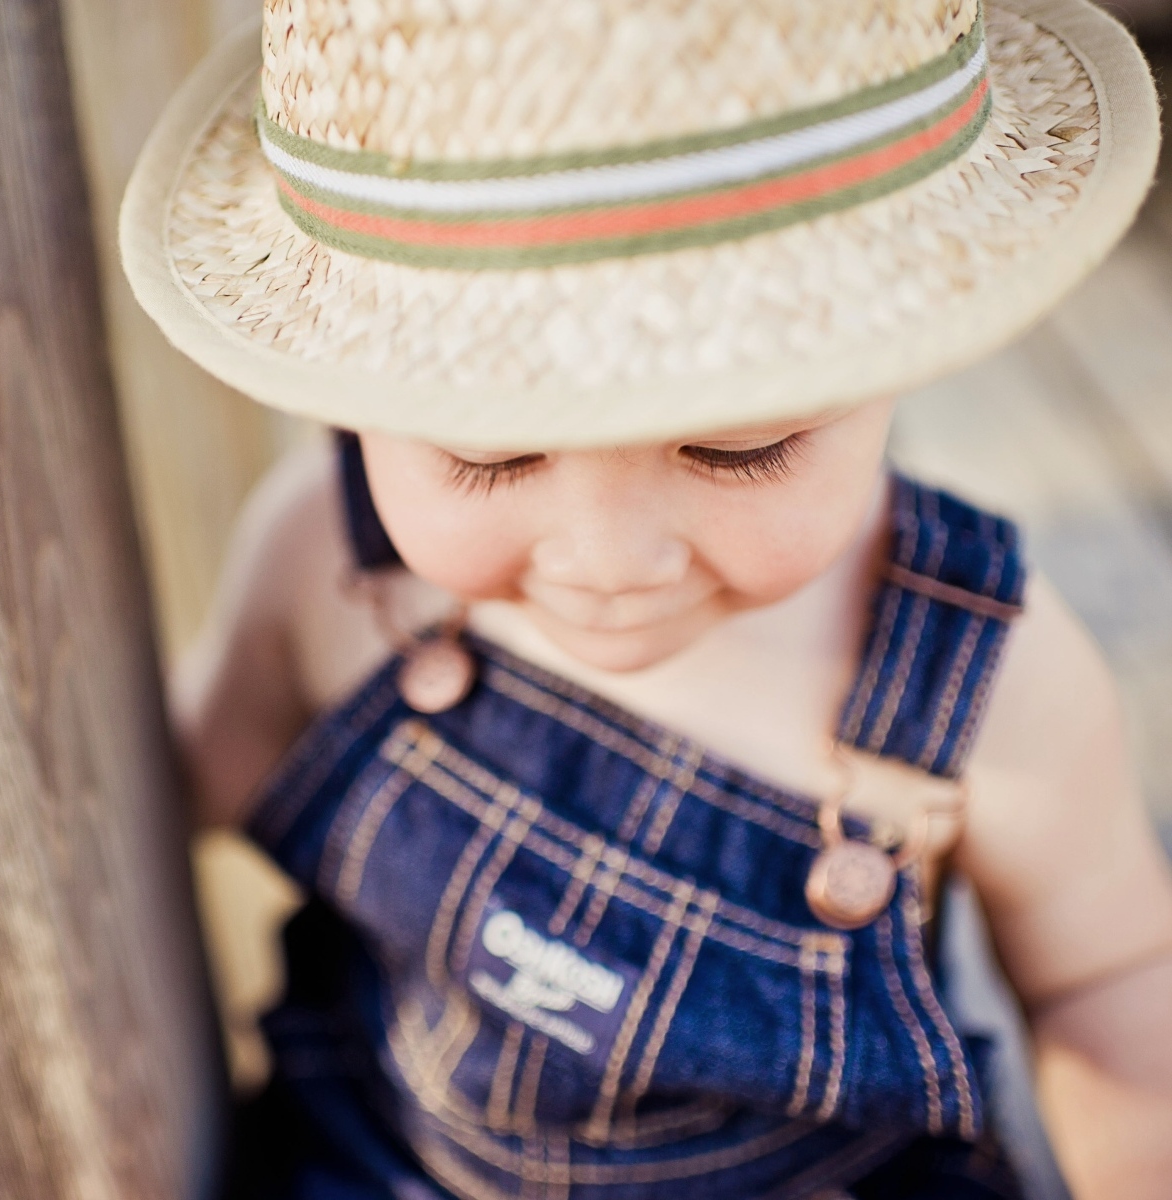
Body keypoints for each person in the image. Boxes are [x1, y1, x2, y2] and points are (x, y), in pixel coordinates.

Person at [120, 0, 1172, 1195]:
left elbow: (1111, 985)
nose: (610, 560)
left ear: (912, 341)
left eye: (739, 448)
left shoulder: (984, 681)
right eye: (487, 453)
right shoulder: (331, 569)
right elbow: (152, 801)